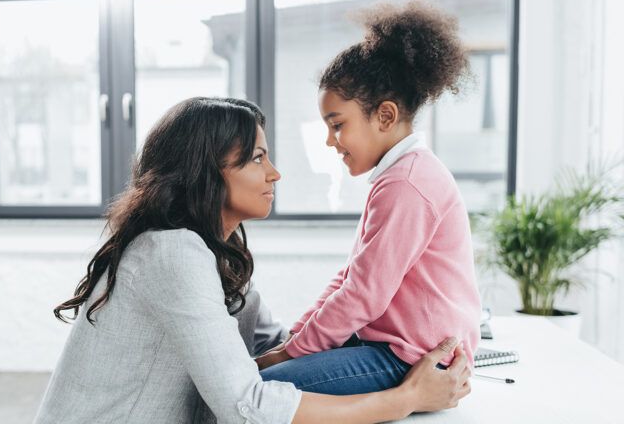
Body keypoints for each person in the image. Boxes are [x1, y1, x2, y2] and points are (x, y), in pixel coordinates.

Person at [34, 97, 471, 424]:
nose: (274, 173)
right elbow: (247, 407)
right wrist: (408, 396)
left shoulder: (214, 256)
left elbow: (273, 347)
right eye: (257, 158)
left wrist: (371, 350)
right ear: (206, 171)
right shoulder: (170, 253)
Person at [256, 0, 482, 396]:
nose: (330, 142)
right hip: (390, 346)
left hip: (408, 358)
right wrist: (296, 338)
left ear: (385, 116)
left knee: (258, 390)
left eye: (337, 125)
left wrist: (289, 354)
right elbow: (352, 277)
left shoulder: (407, 184)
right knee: (264, 371)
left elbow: (363, 296)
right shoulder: (400, 175)